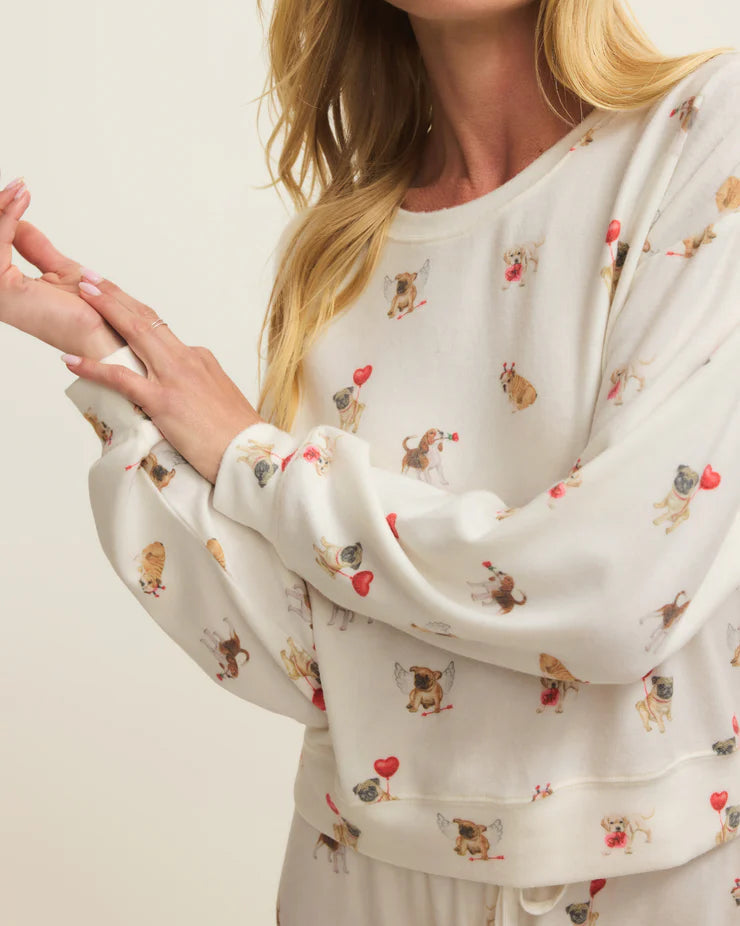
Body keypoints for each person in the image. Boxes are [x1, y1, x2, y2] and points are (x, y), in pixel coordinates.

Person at [2, 0, 740, 922]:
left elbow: (618, 592)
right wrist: (108, 358)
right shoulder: (339, 254)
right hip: (355, 883)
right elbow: (308, 655)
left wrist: (256, 457)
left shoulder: (703, 134)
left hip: (648, 886)